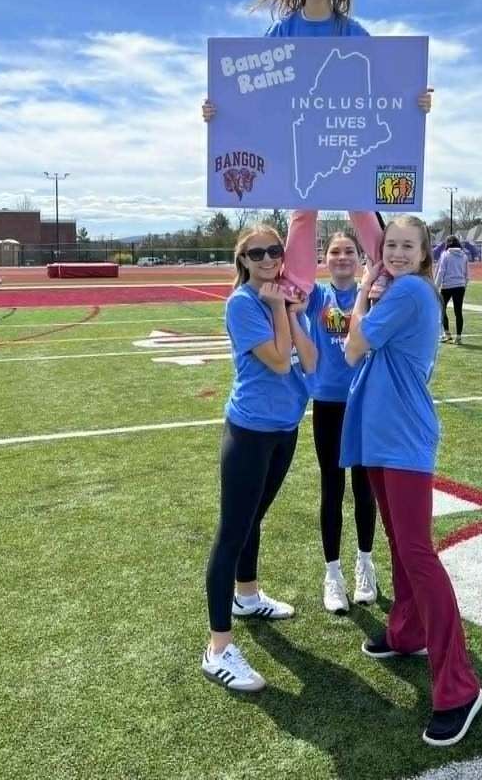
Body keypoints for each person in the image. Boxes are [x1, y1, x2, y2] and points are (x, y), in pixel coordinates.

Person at [202, 0, 433, 297]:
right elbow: (253, 88)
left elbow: (384, 86)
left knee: (360, 204)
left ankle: (384, 272)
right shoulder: (282, 31)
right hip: (303, 138)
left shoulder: (353, 32)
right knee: (302, 211)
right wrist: (221, 110)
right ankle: (297, 286)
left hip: (347, 134)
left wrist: (414, 102)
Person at [341, 216, 482, 748]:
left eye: (407, 246)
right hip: (381, 432)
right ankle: (408, 632)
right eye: (390, 245)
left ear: (426, 254)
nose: (397, 253)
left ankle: (460, 687)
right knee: (399, 543)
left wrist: (361, 294)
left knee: (418, 552)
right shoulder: (397, 292)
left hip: (402, 436)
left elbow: (353, 347)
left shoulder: (410, 294)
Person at [201, 226, 317, 693]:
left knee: (255, 519)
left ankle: (246, 597)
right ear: (243, 259)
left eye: (275, 250)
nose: (269, 258)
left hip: (285, 427)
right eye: (258, 253)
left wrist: (292, 311)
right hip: (250, 430)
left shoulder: (287, 299)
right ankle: (217, 648)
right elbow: (278, 361)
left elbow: (308, 362)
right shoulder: (244, 303)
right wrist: (277, 307)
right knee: (233, 530)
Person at [284, 216, 383, 613]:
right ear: (324, 261)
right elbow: (294, 271)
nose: (342, 257)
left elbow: (382, 249)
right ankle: (333, 574)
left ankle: (365, 564)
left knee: (364, 487)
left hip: (364, 400)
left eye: (349, 251)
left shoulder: (373, 293)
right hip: (327, 401)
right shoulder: (317, 296)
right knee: (332, 486)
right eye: (334, 252)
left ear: (361, 259)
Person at [435, 234, 469, 344]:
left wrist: (436, 286)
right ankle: (458, 337)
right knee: (458, 311)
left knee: (441, 309)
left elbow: (441, 272)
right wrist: (464, 284)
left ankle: (447, 333)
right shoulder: (464, 256)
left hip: (447, 286)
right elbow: (467, 274)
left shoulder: (445, 255)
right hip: (460, 286)